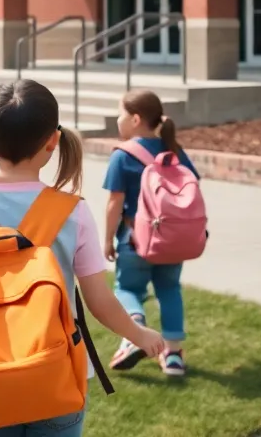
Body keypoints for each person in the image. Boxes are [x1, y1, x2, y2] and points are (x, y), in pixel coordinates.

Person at [0, 80, 163, 437]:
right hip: (58, 370)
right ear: (53, 141)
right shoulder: (72, 212)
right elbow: (99, 301)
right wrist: (138, 334)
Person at [103, 89, 199, 377]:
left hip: (135, 239)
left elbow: (114, 203)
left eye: (119, 113)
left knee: (127, 289)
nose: (117, 120)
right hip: (171, 239)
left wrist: (107, 238)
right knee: (170, 289)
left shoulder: (123, 155)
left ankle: (135, 333)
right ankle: (172, 357)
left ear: (134, 119)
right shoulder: (175, 150)